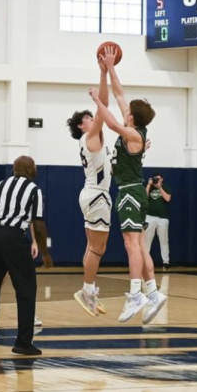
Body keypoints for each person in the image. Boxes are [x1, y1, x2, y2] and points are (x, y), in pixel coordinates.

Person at [89, 51, 166, 324]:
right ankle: (154, 293)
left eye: (128, 111)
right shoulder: (135, 127)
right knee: (141, 246)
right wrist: (109, 68)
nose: (125, 109)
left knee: (131, 244)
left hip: (130, 192)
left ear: (132, 117)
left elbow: (109, 123)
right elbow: (120, 93)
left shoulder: (132, 133)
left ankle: (135, 295)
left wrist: (97, 100)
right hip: (132, 191)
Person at [0, 156, 51, 356]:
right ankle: (23, 343)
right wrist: (45, 253)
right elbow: (39, 225)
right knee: (26, 290)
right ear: (29, 170)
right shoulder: (34, 190)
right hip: (15, 239)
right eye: (34, 167)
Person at [68, 47, 115, 317]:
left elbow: (103, 108)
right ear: (82, 127)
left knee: (93, 247)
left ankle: (89, 290)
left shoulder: (91, 140)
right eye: (86, 119)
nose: (91, 118)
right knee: (98, 249)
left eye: (90, 116)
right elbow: (105, 105)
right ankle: (86, 290)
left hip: (91, 193)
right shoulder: (90, 136)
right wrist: (104, 72)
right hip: (96, 195)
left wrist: (103, 73)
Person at [145, 173, 172, 270]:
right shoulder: (150, 187)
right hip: (149, 217)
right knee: (147, 239)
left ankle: (166, 261)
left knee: (164, 240)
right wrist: (148, 185)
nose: (157, 180)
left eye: (159, 179)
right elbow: (144, 198)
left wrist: (160, 188)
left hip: (163, 218)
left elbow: (168, 198)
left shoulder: (166, 187)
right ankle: (145, 260)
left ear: (162, 179)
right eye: (155, 179)